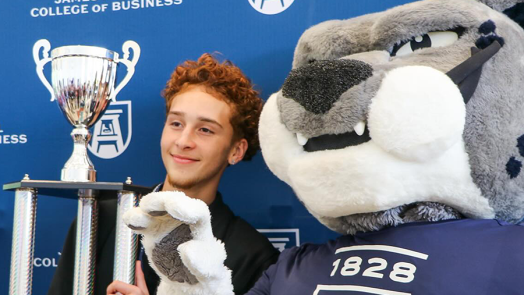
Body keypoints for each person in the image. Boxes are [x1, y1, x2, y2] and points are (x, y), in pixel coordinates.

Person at [48, 53, 280, 295]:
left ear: (236, 150)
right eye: (176, 123)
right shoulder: (98, 219)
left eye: (205, 130)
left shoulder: (252, 255)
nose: (183, 141)